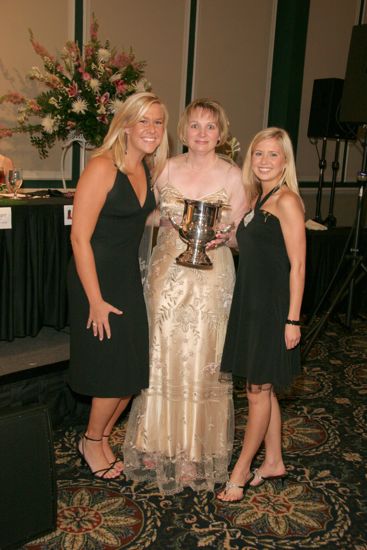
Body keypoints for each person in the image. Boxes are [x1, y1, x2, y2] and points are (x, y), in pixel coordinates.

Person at [123, 98, 248, 493]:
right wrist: (162, 218)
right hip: (167, 275)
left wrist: (229, 237)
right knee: (159, 354)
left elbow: (244, 233)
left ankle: (194, 452)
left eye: (210, 127)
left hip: (212, 281)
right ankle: (153, 441)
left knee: (203, 360)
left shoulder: (233, 175)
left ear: (221, 133)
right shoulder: (164, 169)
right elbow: (140, 215)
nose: (201, 134)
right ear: (183, 129)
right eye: (194, 125)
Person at [68, 91, 169, 479]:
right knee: (112, 367)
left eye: (158, 122)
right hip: (93, 277)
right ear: (125, 124)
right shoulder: (102, 167)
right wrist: (94, 300)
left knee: (132, 368)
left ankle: (103, 436)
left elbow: (136, 218)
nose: (151, 129)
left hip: (126, 275)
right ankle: (92, 441)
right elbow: (79, 239)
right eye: (143, 120)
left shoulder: (145, 169)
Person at [217, 127, 306, 502]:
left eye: (273, 154)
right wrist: (228, 239)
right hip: (250, 304)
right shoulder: (258, 198)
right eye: (258, 154)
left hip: (272, 309)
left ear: (285, 161)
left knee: (257, 391)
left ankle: (240, 471)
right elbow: (257, 248)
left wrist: (292, 319)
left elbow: (299, 265)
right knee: (263, 389)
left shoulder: (286, 201)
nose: (265, 161)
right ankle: (273, 461)